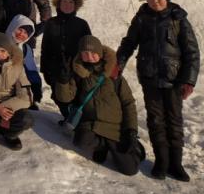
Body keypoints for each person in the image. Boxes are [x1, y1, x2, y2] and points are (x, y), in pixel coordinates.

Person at [116, 0, 200, 181]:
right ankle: (162, 161)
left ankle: (176, 164)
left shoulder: (178, 19)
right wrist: (118, 63)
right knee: (155, 120)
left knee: (174, 120)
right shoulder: (141, 18)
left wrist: (189, 80)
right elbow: (129, 42)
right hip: (149, 77)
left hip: (174, 80)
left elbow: (192, 52)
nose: (154, 1)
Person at [55, 36, 143, 176]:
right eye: (85, 53)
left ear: (100, 53)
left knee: (130, 169)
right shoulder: (78, 75)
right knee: (81, 140)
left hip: (115, 127)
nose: (89, 57)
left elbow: (128, 103)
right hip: (91, 124)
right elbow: (65, 98)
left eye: (93, 53)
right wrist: (63, 81)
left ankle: (132, 147)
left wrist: (131, 130)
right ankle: (102, 146)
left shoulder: (114, 76)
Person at [41, 0, 92, 120]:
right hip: (55, 67)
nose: (67, 5)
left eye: (71, 2)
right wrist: (45, 69)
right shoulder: (51, 23)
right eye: (64, 1)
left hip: (76, 68)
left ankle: (77, 120)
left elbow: (89, 46)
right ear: (58, 4)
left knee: (77, 96)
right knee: (59, 96)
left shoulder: (82, 24)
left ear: (75, 5)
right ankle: (67, 117)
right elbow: (45, 47)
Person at [5, 14, 41, 108]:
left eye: (26, 33)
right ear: (14, 27)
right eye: (20, 29)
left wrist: (36, 86)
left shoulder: (25, 49)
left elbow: (31, 69)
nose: (21, 34)